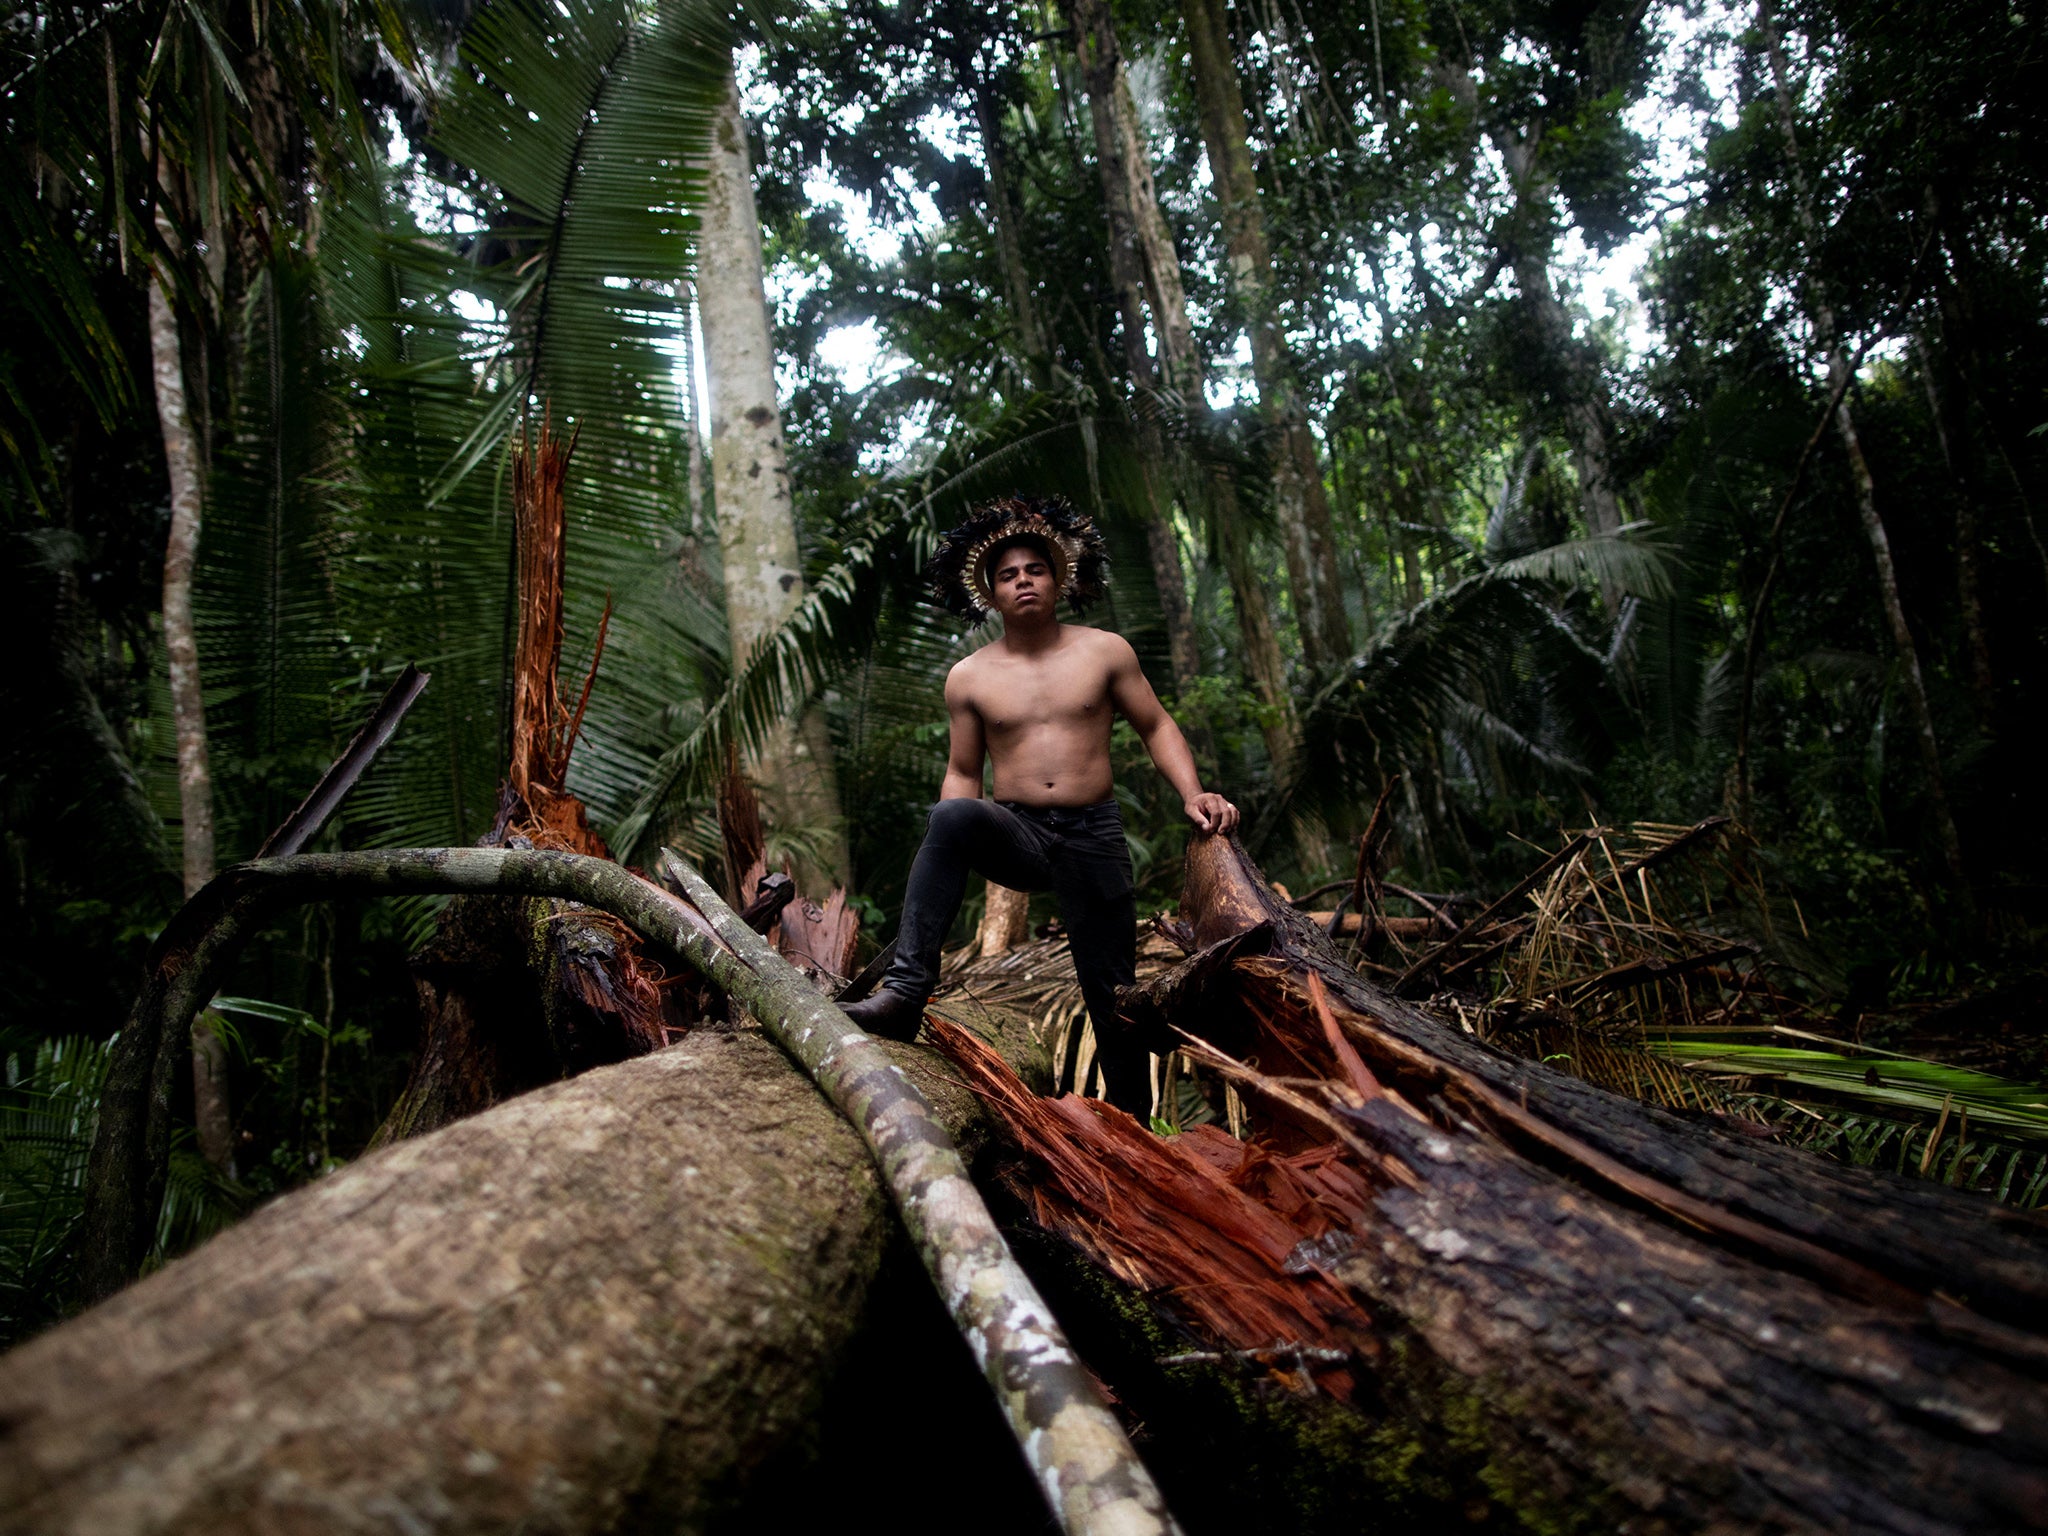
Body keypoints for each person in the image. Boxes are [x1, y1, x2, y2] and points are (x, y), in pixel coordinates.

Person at [842, 495, 1238, 1115]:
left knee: (1113, 1000)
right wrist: (958, 840)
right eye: (1008, 574)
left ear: (1058, 581)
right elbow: (963, 771)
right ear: (991, 595)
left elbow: (1157, 726)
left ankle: (1134, 1126)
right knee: (950, 815)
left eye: (1034, 569)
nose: (1022, 580)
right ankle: (904, 993)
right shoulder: (969, 676)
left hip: (1094, 835)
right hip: (1021, 833)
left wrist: (1195, 794)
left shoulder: (1104, 651)